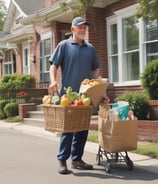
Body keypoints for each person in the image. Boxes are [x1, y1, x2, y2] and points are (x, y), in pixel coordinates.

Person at [49, 16, 109, 174]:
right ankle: (62, 160)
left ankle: (76, 159)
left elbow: (96, 72)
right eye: (79, 27)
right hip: (68, 97)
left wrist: (102, 92)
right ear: (72, 29)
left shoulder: (90, 48)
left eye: (84, 27)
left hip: (86, 96)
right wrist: (53, 80)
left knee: (82, 128)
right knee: (68, 129)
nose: (83, 29)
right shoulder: (64, 45)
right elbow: (53, 66)